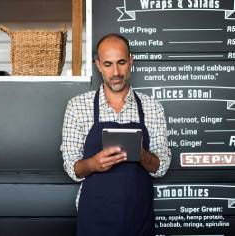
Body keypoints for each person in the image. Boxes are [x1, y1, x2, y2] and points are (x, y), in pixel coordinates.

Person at [60, 33, 171, 235]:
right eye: (108, 64)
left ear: (131, 61)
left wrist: (142, 155)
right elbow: (71, 167)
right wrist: (93, 164)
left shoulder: (152, 107)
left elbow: (161, 166)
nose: (116, 72)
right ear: (98, 64)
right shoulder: (77, 106)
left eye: (121, 62)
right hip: (95, 219)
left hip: (139, 219)